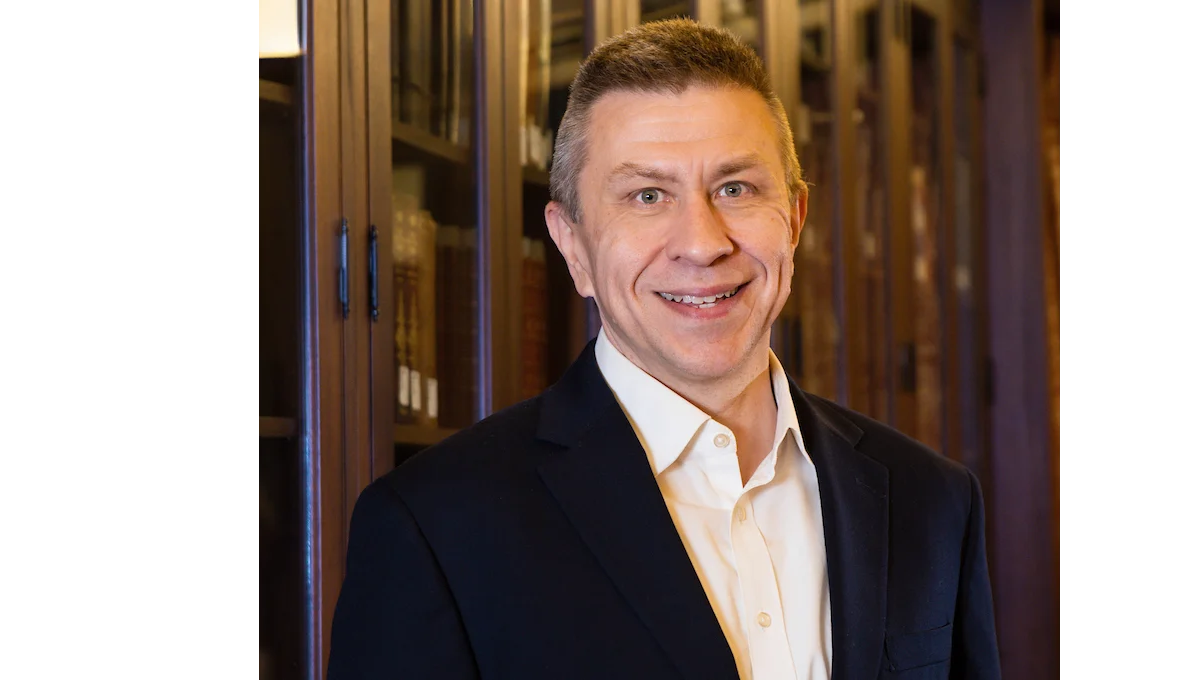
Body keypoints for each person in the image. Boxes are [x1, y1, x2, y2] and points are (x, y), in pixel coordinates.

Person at [327, 19, 1000, 680]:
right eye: (647, 195)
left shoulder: (932, 502)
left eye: (735, 188)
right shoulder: (435, 528)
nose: (703, 242)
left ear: (793, 219)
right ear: (572, 246)